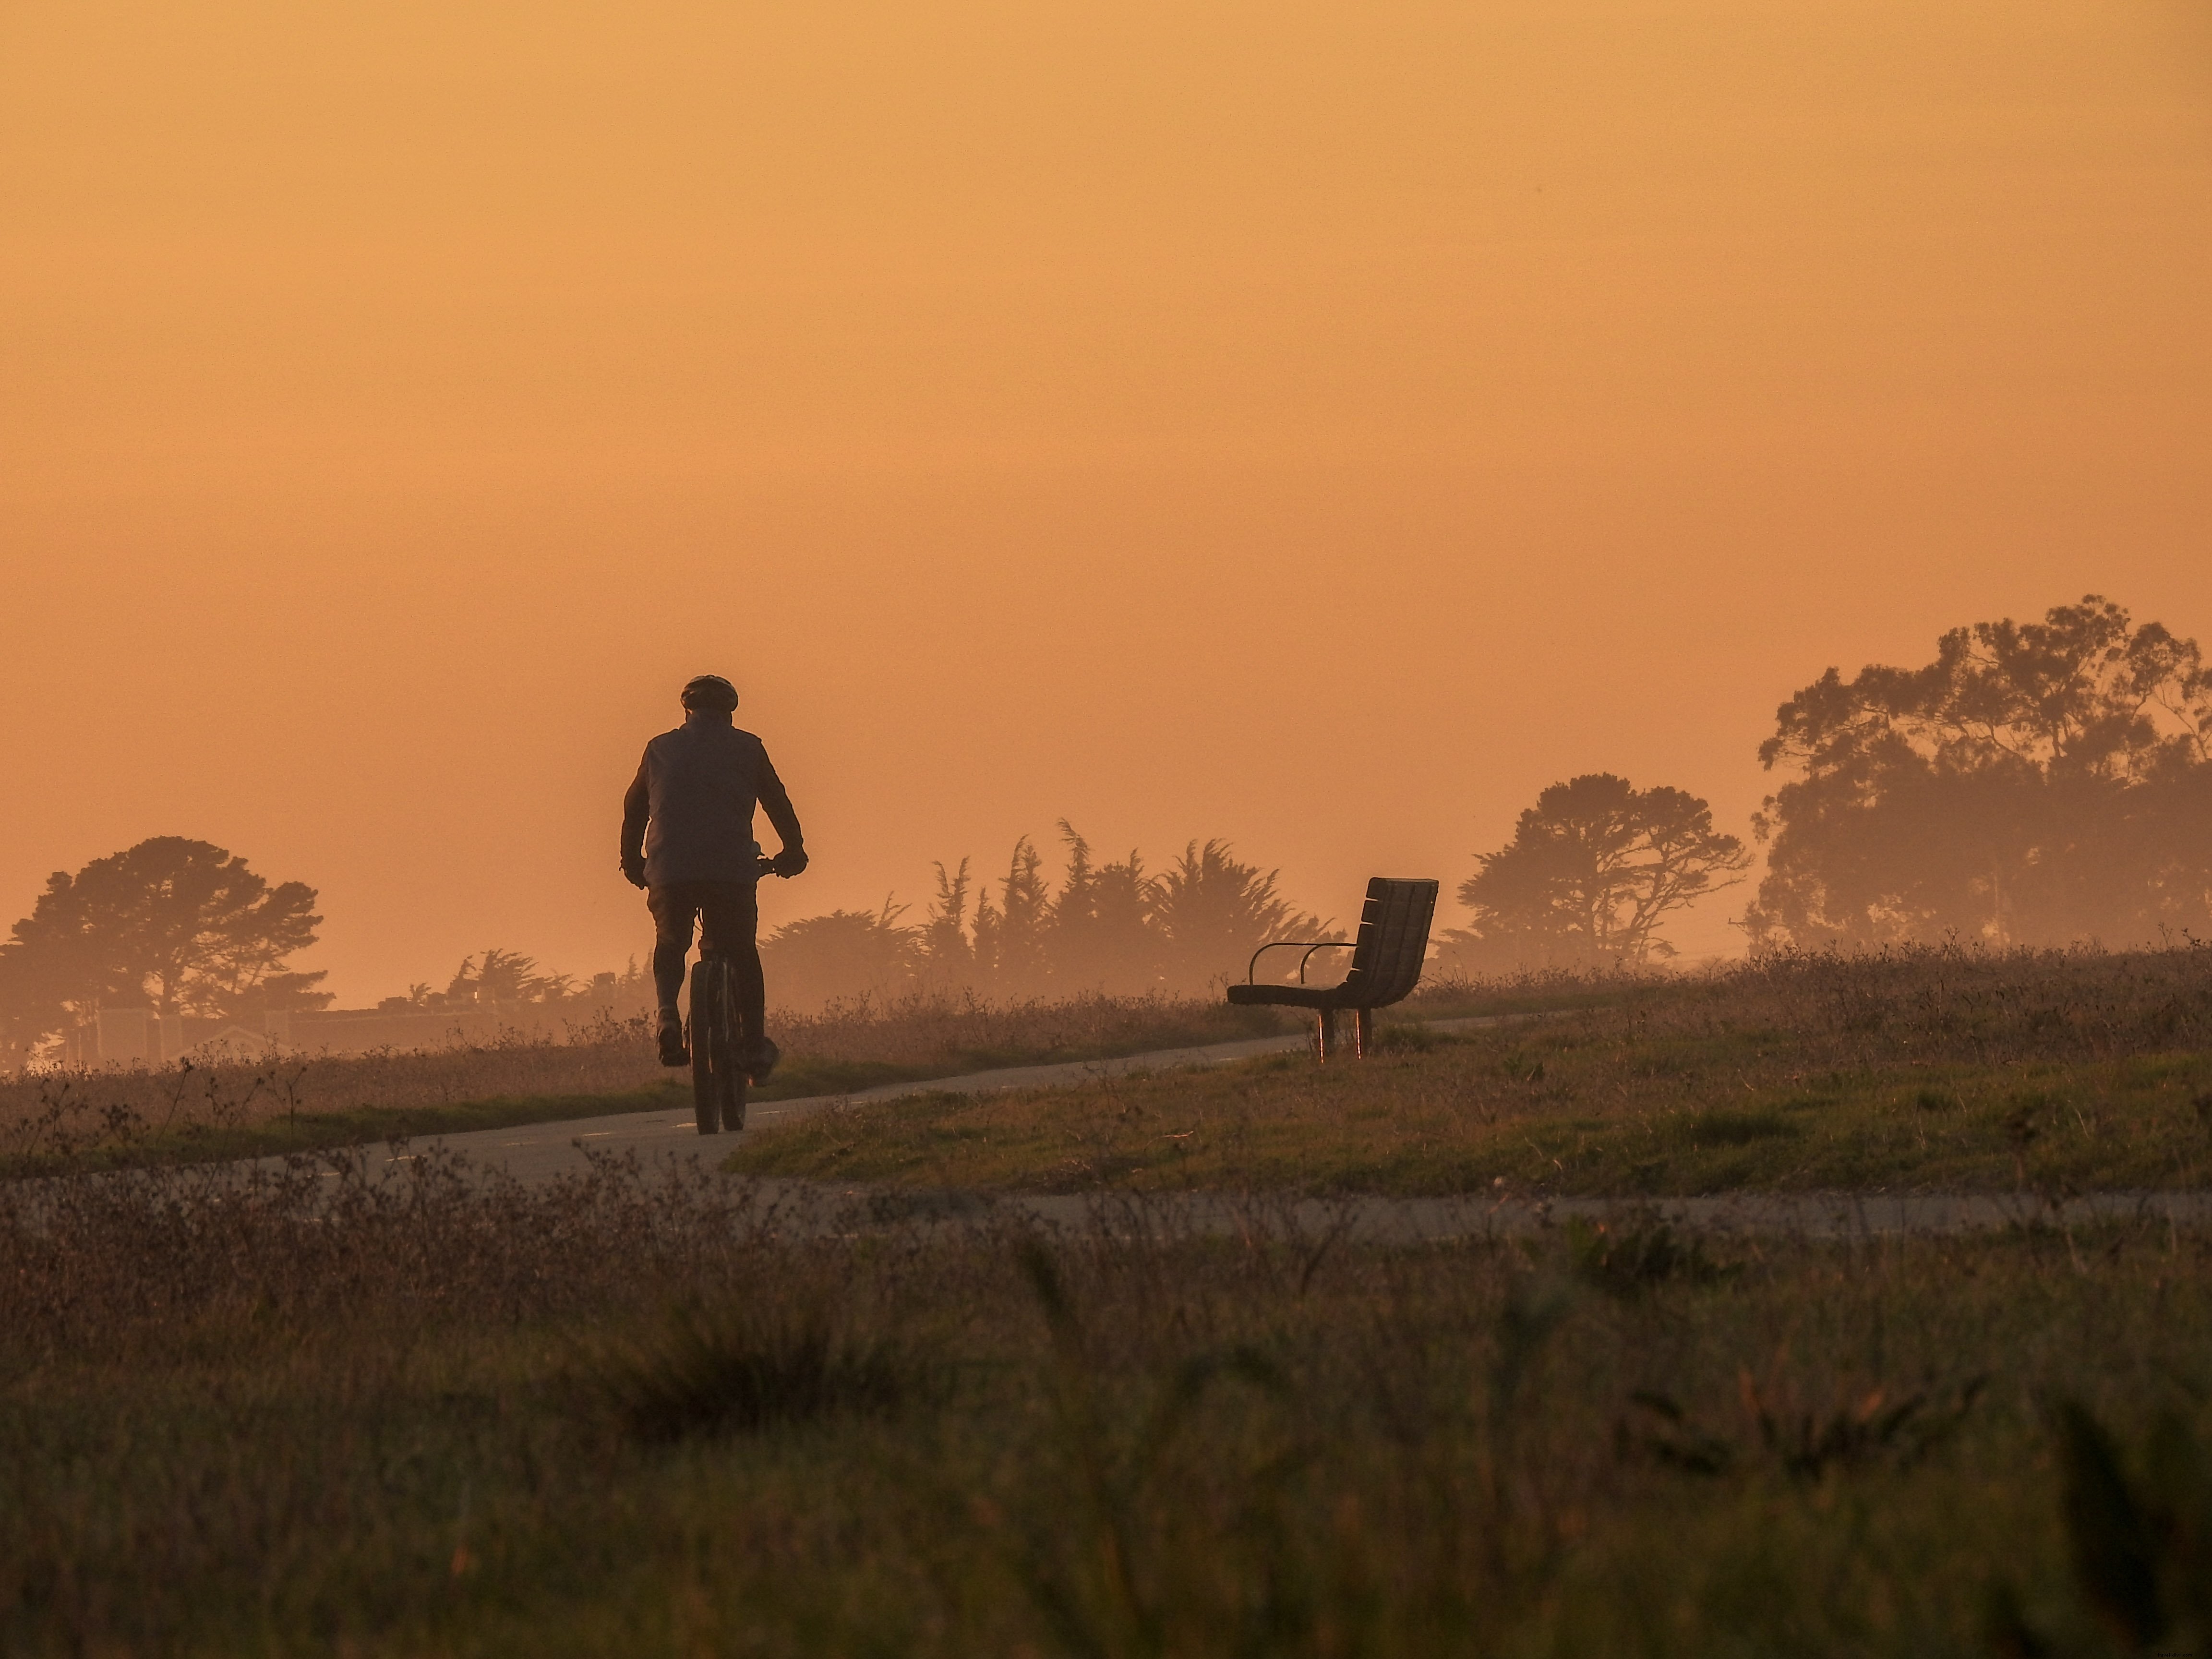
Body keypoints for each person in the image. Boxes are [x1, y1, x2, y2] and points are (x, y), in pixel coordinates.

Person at [620, 673, 806, 1075]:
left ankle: (668, 1014)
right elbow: (776, 802)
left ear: (686, 711)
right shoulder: (748, 748)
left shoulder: (659, 749)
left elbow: (634, 808)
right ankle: (754, 1044)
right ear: (730, 714)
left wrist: (633, 862)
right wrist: (794, 852)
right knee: (741, 952)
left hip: (670, 869)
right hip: (731, 871)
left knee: (671, 942)